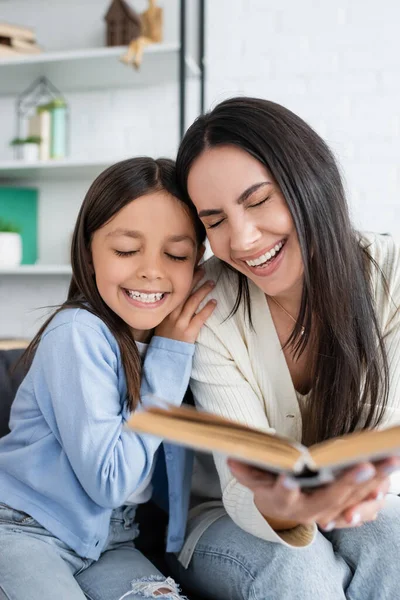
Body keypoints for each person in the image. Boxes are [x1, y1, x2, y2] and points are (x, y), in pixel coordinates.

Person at [168, 97, 400, 600]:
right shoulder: (213, 300)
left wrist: (351, 494)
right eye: (215, 220)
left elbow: (383, 451)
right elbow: (241, 487)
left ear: (309, 180)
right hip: (227, 518)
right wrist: (295, 505)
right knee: (300, 569)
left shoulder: (391, 275)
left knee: (395, 538)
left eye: (258, 200)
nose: (244, 239)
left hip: (359, 503)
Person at [0, 157, 216, 600]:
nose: (152, 270)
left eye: (175, 254)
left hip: (111, 542)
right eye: (125, 250)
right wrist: (171, 357)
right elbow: (110, 481)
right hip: (26, 530)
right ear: (88, 252)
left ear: (197, 263)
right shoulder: (77, 333)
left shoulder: (174, 339)